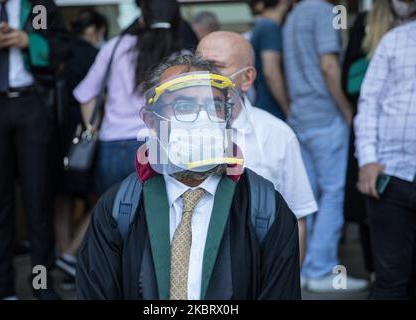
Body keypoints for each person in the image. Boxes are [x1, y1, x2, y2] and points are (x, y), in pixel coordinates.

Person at [76, 54, 301, 300]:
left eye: (214, 106)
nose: (203, 120)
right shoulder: (118, 208)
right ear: (151, 120)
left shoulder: (265, 206)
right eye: (184, 107)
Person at [0, 0, 70, 300]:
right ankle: (1, 284)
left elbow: (62, 47)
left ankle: (41, 284)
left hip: (30, 104)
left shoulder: (37, 7)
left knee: (38, 199)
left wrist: (27, 41)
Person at [196, 31, 317, 264]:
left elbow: (296, 217)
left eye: (216, 67)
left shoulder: (277, 135)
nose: (204, 76)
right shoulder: (173, 131)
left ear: (247, 77)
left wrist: (288, 287)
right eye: (199, 66)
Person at [283, 0, 367, 293]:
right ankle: (320, 269)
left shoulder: (293, 15)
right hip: (324, 114)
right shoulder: (323, 12)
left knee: (308, 195)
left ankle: (306, 266)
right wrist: (346, 109)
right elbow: (328, 65)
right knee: (333, 192)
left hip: (300, 115)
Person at [74, 0, 188, 196]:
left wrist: (92, 129)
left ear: (142, 19)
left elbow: (85, 94)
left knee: (113, 217)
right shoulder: (182, 58)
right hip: (163, 146)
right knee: (156, 219)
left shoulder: (115, 48)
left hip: (113, 145)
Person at [354, 3, 416, 299]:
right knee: (390, 281)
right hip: (392, 174)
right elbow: (369, 103)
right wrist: (367, 160)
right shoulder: (396, 40)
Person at [342, 0, 405, 283]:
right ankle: (372, 271)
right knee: (370, 198)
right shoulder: (369, 22)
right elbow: (350, 78)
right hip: (372, 125)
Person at [54, 8, 108, 286]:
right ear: (95, 29)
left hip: (57, 134)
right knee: (100, 197)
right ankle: (72, 255)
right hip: (85, 137)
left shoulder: (63, 51)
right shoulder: (93, 55)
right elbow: (96, 95)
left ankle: (63, 253)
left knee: (61, 197)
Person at [250, 0, 291, 120]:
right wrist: (287, 108)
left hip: (264, 103)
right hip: (272, 107)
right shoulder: (270, 27)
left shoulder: (261, 26)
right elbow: (271, 72)